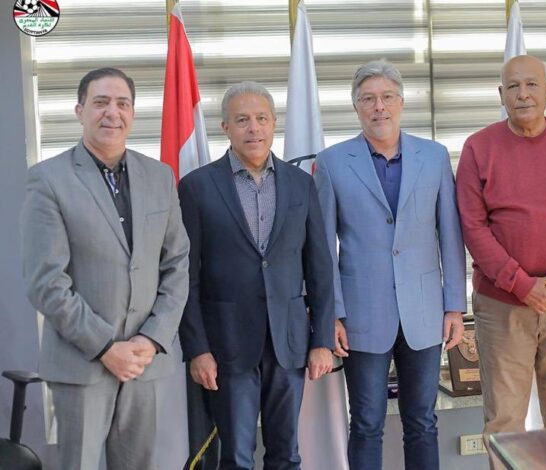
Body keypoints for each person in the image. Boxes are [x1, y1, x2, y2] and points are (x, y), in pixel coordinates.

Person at [19, 67, 190, 469]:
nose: (112, 112)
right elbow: (46, 283)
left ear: (132, 113)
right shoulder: (48, 179)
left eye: (122, 103)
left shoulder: (159, 176)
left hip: (144, 361)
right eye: (100, 102)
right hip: (82, 364)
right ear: (80, 111)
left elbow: (177, 264)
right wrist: (106, 348)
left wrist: (151, 339)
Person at [314, 59, 466, 470]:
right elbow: (323, 247)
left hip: (425, 312)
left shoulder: (434, 157)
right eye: (368, 99)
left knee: (423, 422)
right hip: (362, 313)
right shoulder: (331, 162)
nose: (378, 106)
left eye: (386, 97)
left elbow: (450, 235)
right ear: (356, 106)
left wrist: (455, 306)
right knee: (366, 423)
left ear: (401, 102)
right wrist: (333, 313)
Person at [455, 55, 546, 468]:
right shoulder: (478, 148)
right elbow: (473, 228)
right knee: (504, 422)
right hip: (502, 308)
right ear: (501, 94)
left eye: (532, 85)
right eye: (513, 86)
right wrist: (522, 285)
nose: (523, 94)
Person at [178, 82, 335, 470]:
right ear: (225, 128)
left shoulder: (301, 183)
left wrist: (322, 340)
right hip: (227, 346)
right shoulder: (197, 187)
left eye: (262, 118)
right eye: (242, 120)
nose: (254, 128)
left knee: (287, 455)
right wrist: (197, 349)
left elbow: (319, 267)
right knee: (236, 457)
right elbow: (186, 276)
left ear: (274, 123)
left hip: (288, 343)